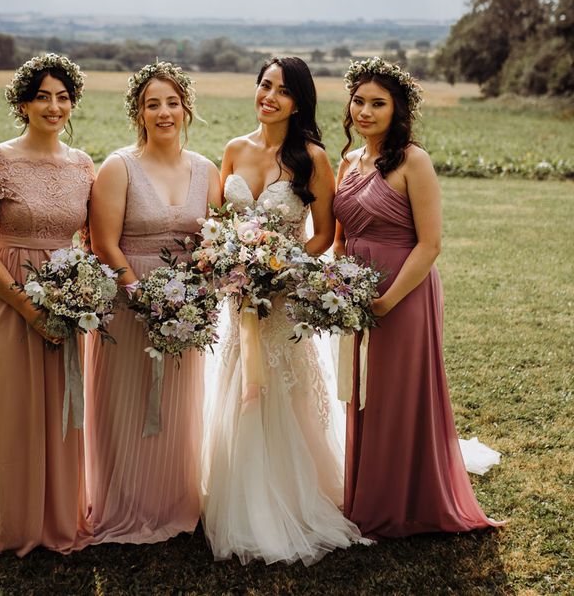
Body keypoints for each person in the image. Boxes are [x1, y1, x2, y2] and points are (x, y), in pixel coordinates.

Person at [202, 56, 369, 565]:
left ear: (299, 101)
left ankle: (288, 498)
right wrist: (231, 261)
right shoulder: (233, 149)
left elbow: (324, 233)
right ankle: (236, 490)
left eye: (282, 90)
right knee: (239, 376)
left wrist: (281, 268)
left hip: (282, 295)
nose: (268, 96)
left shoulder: (311, 158)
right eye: (264, 85)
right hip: (238, 291)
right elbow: (218, 220)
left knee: (278, 385)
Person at [333, 56, 503, 538]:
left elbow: (430, 244)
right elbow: (341, 237)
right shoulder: (348, 160)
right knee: (362, 392)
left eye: (378, 103)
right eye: (359, 101)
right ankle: (366, 494)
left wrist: (387, 300)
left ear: (397, 109)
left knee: (398, 392)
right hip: (354, 292)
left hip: (404, 293)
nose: (365, 111)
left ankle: (406, 501)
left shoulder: (413, 159)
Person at [0, 53, 94, 556]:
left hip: (67, 297)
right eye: (43, 96)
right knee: (14, 409)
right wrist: (27, 308)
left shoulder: (83, 164)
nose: (54, 106)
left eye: (63, 97)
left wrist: (83, 296)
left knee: (64, 408)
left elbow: (91, 241)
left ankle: (60, 518)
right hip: (9, 295)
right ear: (23, 102)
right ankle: (13, 524)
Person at [85, 61, 222, 543]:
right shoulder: (119, 166)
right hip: (127, 301)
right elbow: (104, 242)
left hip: (187, 305)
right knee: (122, 397)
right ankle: (122, 501)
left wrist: (191, 296)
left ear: (186, 108)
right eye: (152, 104)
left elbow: (214, 241)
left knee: (178, 402)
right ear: (138, 113)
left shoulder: (207, 170)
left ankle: (173, 500)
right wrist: (138, 295)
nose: (164, 112)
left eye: (172, 103)